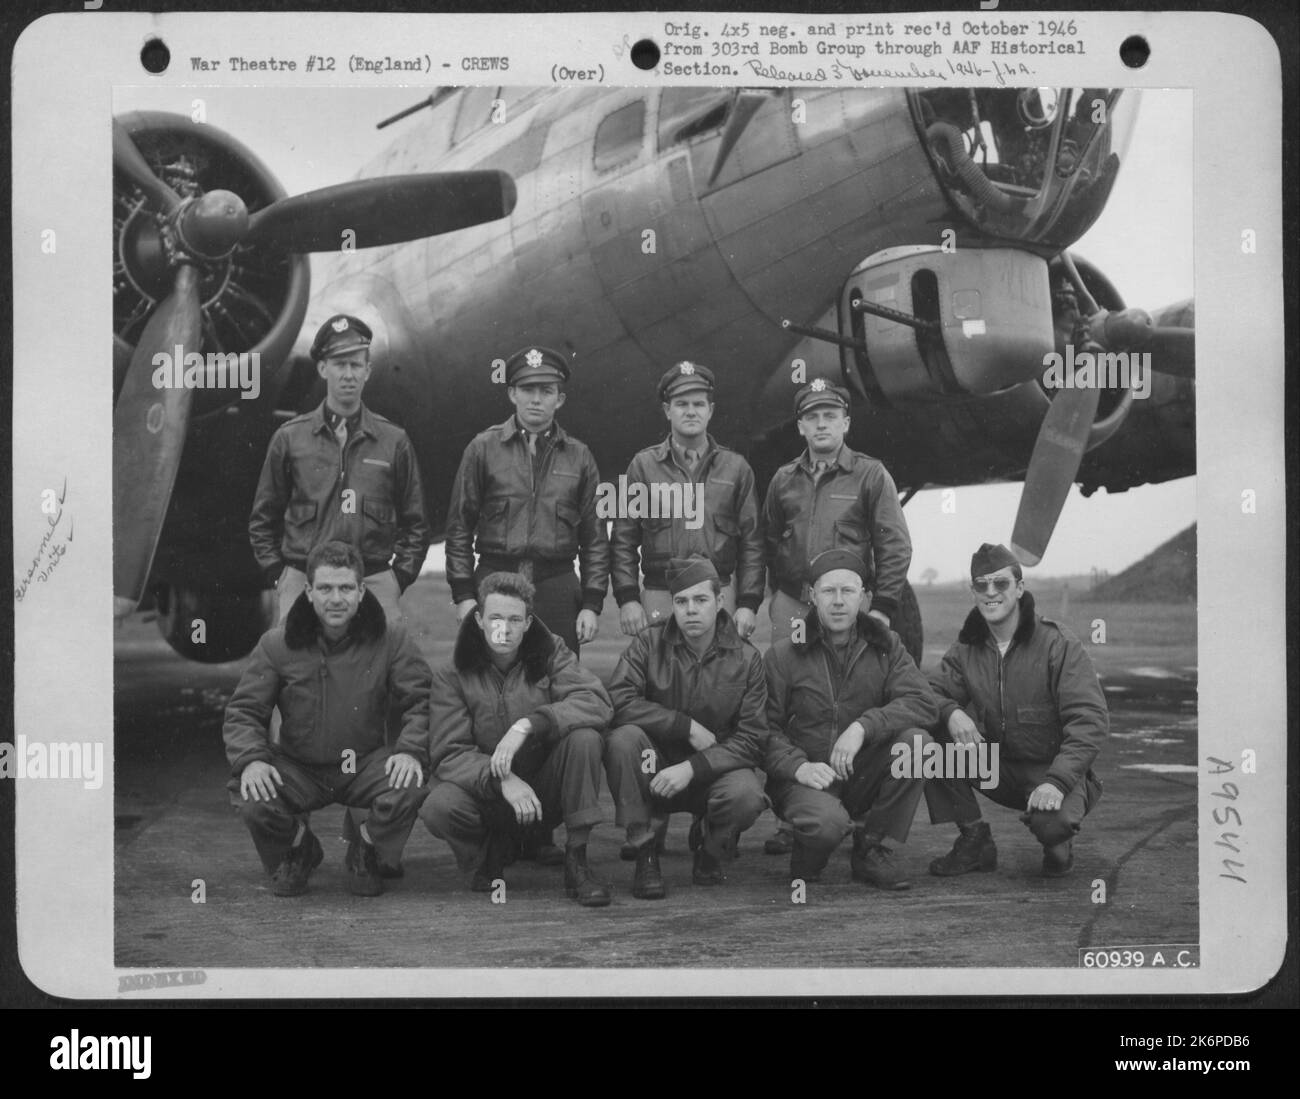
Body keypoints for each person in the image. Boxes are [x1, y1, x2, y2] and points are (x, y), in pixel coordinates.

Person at [443, 345, 610, 865]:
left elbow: (594, 536)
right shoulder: (483, 448)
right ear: (511, 393)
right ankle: (496, 812)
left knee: (551, 697)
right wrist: (463, 595)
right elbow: (458, 527)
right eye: (527, 389)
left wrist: (592, 600)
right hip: (497, 579)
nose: (537, 399)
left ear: (560, 398)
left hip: (559, 586)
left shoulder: (579, 456)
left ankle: (540, 831)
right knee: (491, 692)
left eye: (547, 391)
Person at [222, 540, 430, 897]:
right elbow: (243, 711)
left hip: (363, 764)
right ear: (309, 591)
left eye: (346, 588)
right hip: (299, 768)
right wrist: (252, 760)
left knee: (410, 783)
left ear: (362, 591)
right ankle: (300, 846)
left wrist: (410, 749)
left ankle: (365, 847)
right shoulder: (276, 645)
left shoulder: (391, 639)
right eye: (326, 588)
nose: (336, 599)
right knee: (250, 792)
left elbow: (422, 700)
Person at [759, 378, 913, 856]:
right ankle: (797, 812)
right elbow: (767, 540)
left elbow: (893, 543)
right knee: (792, 705)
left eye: (831, 415)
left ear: (846, 422)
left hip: (850, 602)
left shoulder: (871, 475)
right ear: (801, 426)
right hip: (794, 601)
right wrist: (772, 600)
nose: (822, 423)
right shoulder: (783, 479)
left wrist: (884, 606)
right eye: (813, 416)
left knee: (851, 698)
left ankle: (860, 808)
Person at [420, 571, 614, 907]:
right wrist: (501, 780)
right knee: (439, 805)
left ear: (527, 623)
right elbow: (449, 753)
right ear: (479, 619)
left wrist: (530, 724)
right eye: (495, 618)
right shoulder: (453, 673)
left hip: (543, 789)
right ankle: (485, 853)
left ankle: (577, 859)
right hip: (490, 795)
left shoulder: (551, 650)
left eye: (514, 619)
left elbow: (596, 701)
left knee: (585, 738)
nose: (504, 629)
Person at [924, 543, 1108, 878]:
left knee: (1053, 825)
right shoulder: (968, 647)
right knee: (920, 745)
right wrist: (951, 712)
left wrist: (1058, 781)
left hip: (1049, 770)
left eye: (1001, 583)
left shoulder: (1058, 645)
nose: (990, 592)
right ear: (973, 591)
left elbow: (1090, 720)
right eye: (981, 585)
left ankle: (1058, 845)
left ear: (1020, 588)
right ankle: (975, 839)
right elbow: (926, 694)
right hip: (996, 766)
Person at [763, 550, 938, 890]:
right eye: (828, 591)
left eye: (848, 591)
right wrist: (798, 766)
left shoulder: (887, 646)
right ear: (812, 596)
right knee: (824, 832)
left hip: (859, 773)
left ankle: (870, 846)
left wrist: (863, 726)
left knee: (919, 744)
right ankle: (813, 836)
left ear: (865, 597)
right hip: (805, 778)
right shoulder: (783, 654)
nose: (839, 601)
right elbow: (762, 730)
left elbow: (923, 703)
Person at [249, 313, 430, 625]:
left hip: (373, 580)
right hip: (303, 580)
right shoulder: (289, 439)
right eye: (339, 364)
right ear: (323, 368)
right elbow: (262, 518)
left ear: (368, 371)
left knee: (382, 669)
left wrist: (397, 578)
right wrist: (281, 577)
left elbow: (416, 523)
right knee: (300, 670)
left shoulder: (394, 441)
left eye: (356, 364)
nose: (348, 374)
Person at [604, 556, 768, 899]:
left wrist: (694, 768)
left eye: (701, 600)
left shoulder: (747, 659)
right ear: (672, 605)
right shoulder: (649, 644)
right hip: (656, 766)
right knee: (623, 741)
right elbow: (618, 700)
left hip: (713, 768)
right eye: (681, 601)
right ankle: (646, 852)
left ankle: (711, 848)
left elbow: (752, 739)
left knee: (747, 794)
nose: (691, 610)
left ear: (720, 601)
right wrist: (682, 726)